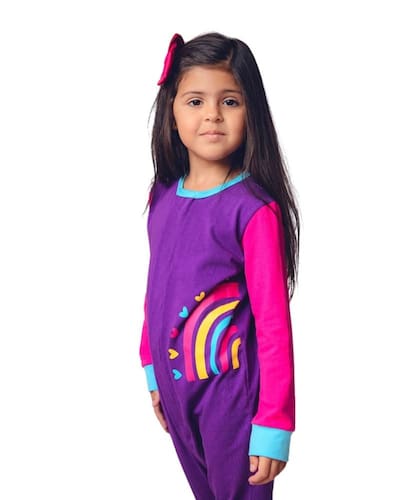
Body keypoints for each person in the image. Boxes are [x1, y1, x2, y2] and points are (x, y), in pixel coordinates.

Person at [139, 31, 300, 499]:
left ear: (252, 112)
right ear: (172, 112)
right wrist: (152, 368)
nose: (212, 114)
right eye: (195, 101)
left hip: (231, 400)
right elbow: (157, 288)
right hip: (176, 388)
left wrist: (273, 422)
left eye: (229, 101)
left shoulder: (252, 210)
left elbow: (273, 324)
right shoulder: (162, 197)